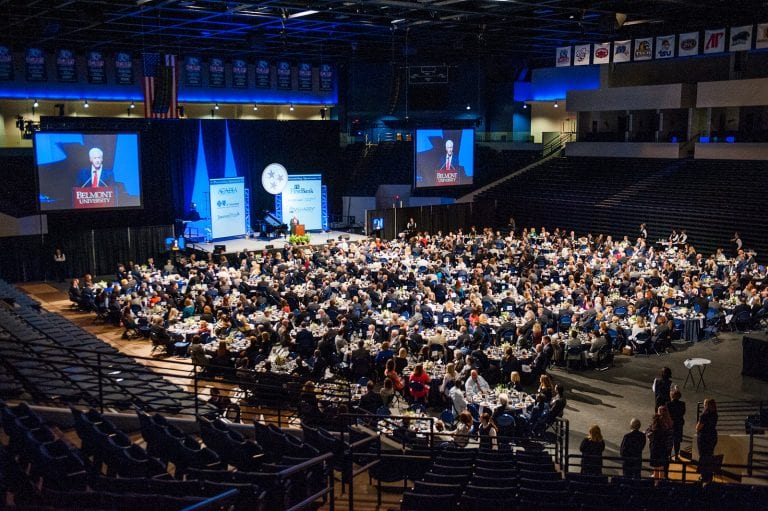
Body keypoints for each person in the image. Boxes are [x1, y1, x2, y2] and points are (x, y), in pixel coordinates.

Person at [697, 398, 719, 482]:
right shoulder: (715, 414)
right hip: (712, 436)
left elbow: (698, 428)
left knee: (703, 456)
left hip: (704, 438)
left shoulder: (704, 415)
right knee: (709, 455)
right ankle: (709, 475)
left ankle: (703, 475)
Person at [647, 412, 672, 480]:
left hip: (654, 450)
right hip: (662, 450)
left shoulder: (653, 431)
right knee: (661, 468)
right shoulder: (664, 430)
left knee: (656, 468)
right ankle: (661, 483)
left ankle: (656, 483)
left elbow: (648, 436)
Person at [667, 388, 686, 461]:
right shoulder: (682, 404)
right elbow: (683, 413)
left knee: (670, 440)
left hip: (671, 424)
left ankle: (669, 456)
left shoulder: (668, 404)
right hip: (679, 423)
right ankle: (676, 456)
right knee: (677, 441)